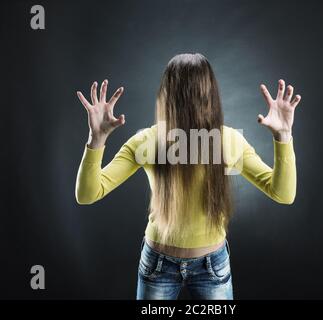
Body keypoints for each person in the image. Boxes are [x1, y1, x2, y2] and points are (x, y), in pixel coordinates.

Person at [75, 53, 301, 300]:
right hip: (159, 266)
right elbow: (88, 194)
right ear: (211, 94)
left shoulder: (153, 141)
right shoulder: (219, 141)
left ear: (166, 93)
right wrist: (96, 139)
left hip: (210, 266)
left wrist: (283, 136)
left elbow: (282, 194)